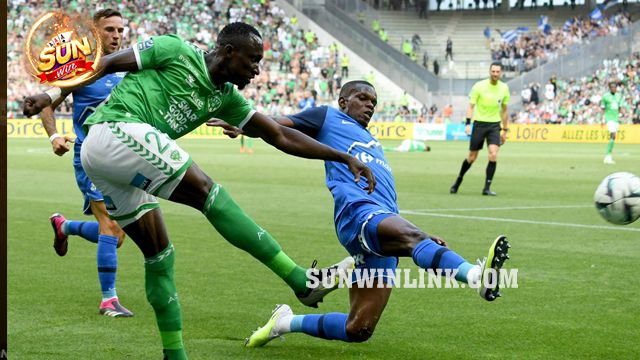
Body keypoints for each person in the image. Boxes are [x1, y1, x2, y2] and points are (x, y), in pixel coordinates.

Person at [23, 23, 376, 360]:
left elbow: (279, 135)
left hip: (105, 161)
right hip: (114, 128)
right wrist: (53, 93)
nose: (257, 70)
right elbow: (106, 63)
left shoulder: (227, 99)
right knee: (209, 192)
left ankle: (174, 353)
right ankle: (299, 279)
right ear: (228, 51)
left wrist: (341, 156)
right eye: (252, 60)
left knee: (160, 256)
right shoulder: (175, 50)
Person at [211, 81, 510, 347]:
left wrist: (418, 237)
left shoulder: (373, 142)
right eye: (363, 98)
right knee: (412, 240)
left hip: (382, 221)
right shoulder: (327, 117)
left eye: (373, 102)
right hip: (356, 215)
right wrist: (243, 124)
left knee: (359, 328)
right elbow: (277, 126)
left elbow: (389, 206)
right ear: (343, 101)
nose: (369, 105)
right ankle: (475, 275)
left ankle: (284, 322)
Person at [38, 9, 132, 317]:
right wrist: (54, 137)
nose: (116, 35)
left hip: (124, 157)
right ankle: (109, 300)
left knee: (117, 236)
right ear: (94, 32)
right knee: (111, 224)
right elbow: (46, 103)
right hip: (90, 157)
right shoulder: (78, 68)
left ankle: (65, 226)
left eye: (120, 29)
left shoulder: (128, 68)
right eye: (109, 30)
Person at [450, 62, 510, 196]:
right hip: (479, 124)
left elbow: (505, 110)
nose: (495, 74)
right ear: (489, 72)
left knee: (493, 154)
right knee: (472, 157)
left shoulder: (504, 88)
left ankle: (487, 188)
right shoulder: (479, 86)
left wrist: (505, 130)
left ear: (501, 73)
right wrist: (467, 124)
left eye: (497, 72)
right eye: (493, 71)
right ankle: (458, 180)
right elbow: (471, 106)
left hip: (495, 125)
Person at [602, 81, 628, 164]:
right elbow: (603, 108)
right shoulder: (605, 97)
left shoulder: (618, 96)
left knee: (613, 137)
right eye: (612, 87)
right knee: (612, 134)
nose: (614, 88)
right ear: (609, 88)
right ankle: (608, 156)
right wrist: (603, 119)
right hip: (609, 118)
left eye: (615, 87)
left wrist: (623, 114)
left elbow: (619, 107)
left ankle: (608, 156)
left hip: (616, 119)